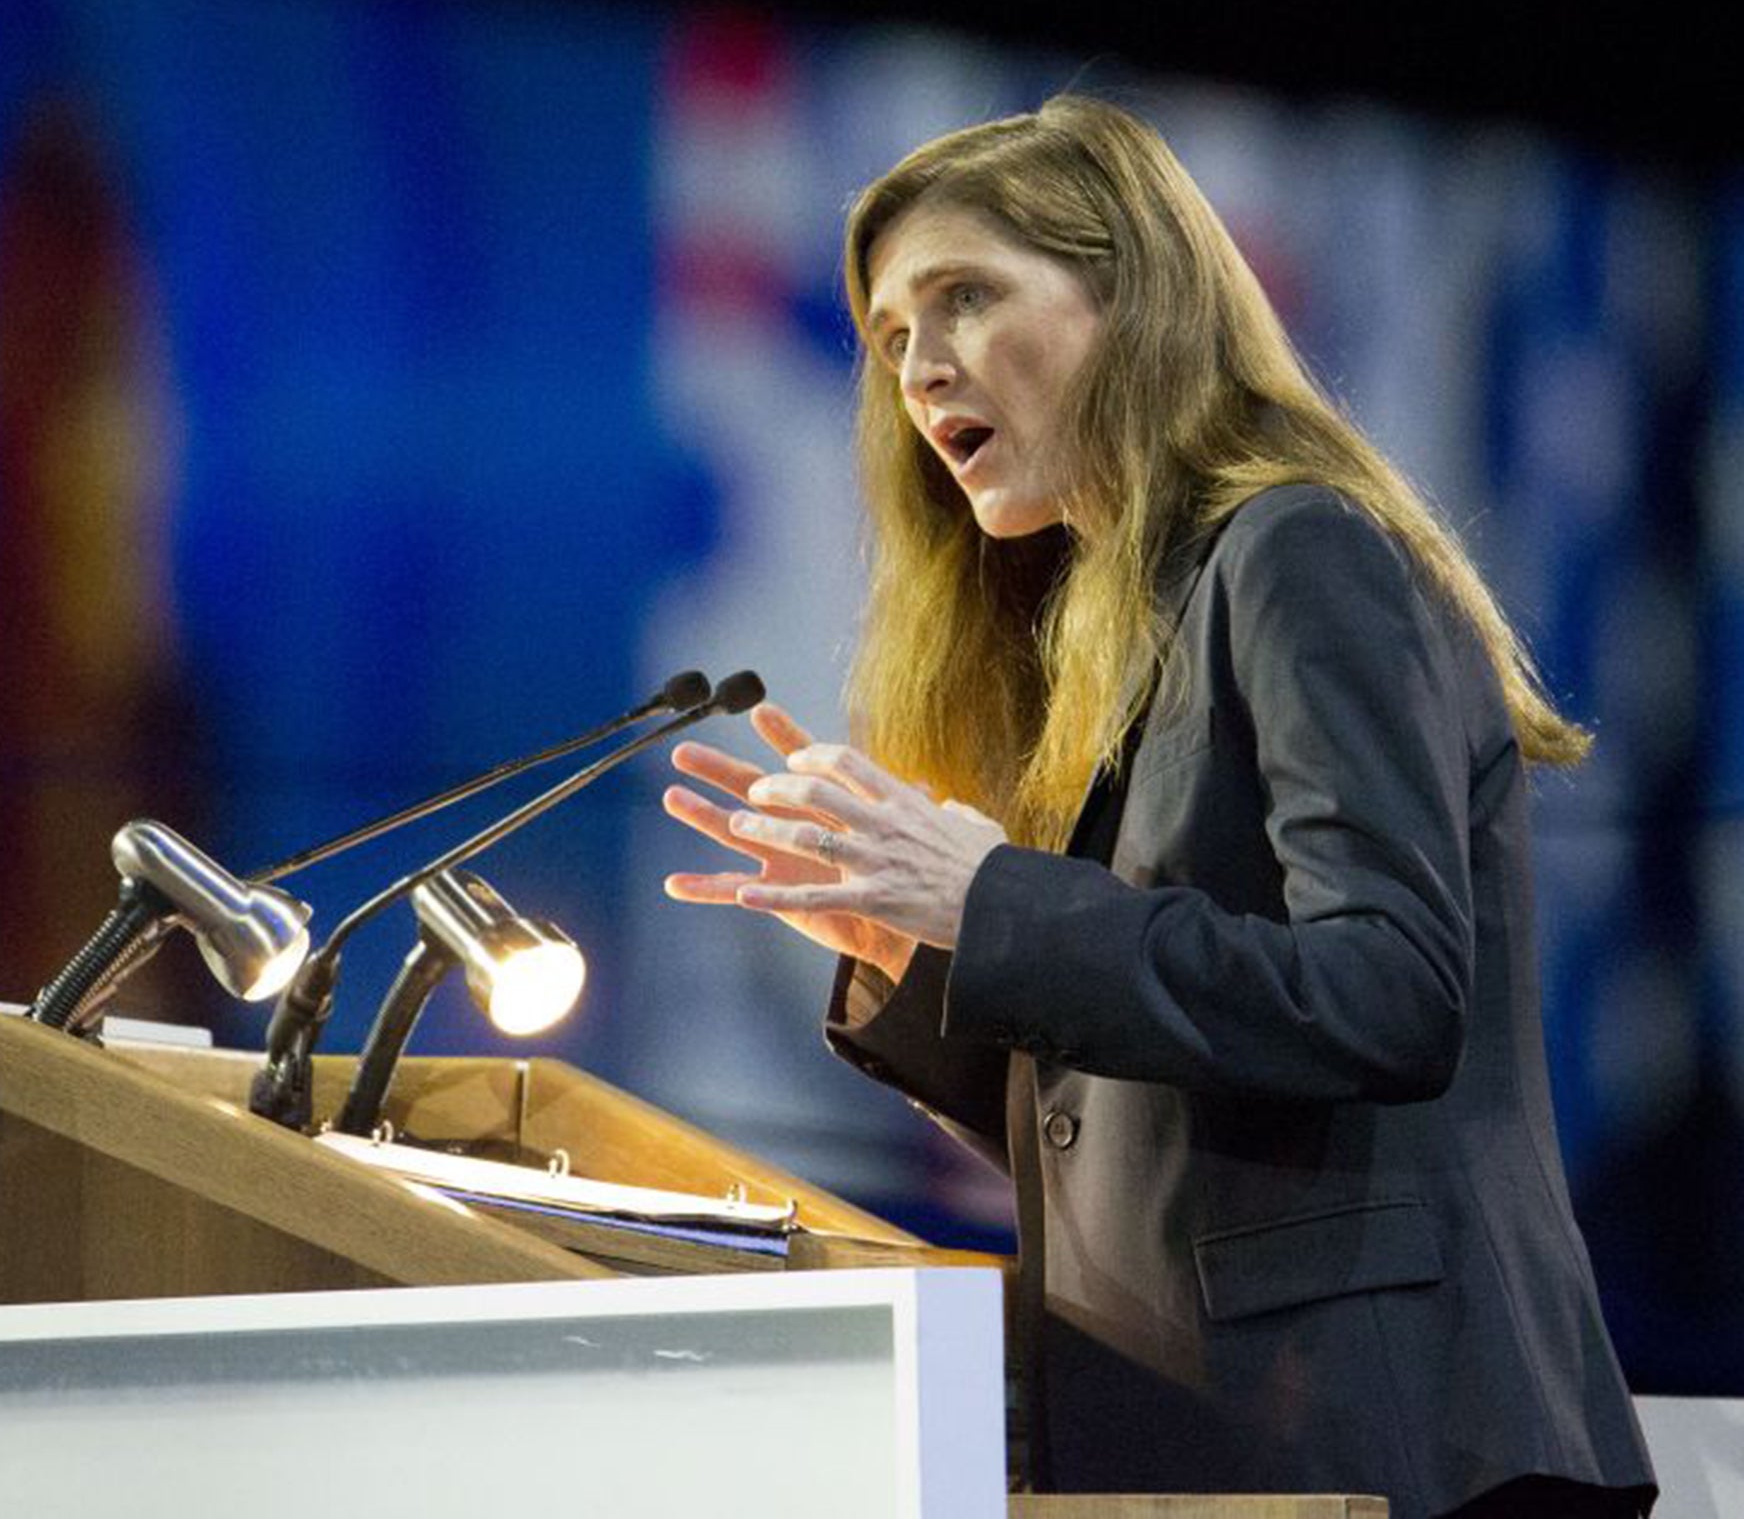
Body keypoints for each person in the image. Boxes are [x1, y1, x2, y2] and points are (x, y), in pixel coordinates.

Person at [660, 94, 1657, 1519]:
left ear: (1132, 299)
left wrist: (997, 900)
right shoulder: (1116, 632)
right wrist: (931, 965)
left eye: (965, 299)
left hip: (1393, 1453)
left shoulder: (1297, 550)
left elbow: (1389, 992)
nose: (920, 369)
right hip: (1210, 1445)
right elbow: (1150, 1112)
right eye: (889, 335)